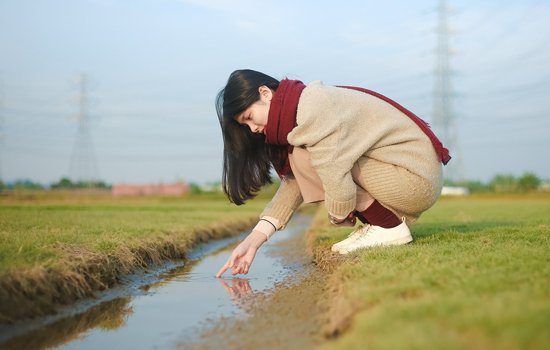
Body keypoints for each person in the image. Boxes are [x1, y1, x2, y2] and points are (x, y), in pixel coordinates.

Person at [215, 69, 450, 278]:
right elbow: (294, 182)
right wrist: (252, 242)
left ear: (265, 93)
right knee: (303, 157)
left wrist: (338, 214)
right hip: (407, 175)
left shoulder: (313, 107)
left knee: (305, 157)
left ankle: (388, 227)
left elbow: (331, 172)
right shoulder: (299, 110)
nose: (253, 129)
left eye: (248, 118)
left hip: (413, 179)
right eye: (245, 125)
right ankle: (379, 225)